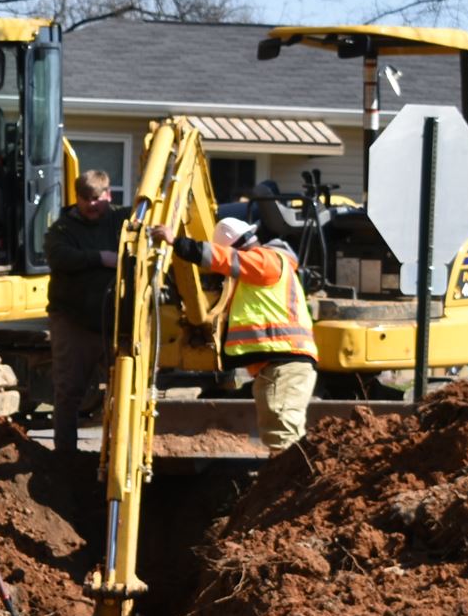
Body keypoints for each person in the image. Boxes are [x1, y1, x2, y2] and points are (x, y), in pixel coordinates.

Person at [149, 214, 317, 454]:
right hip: (277, 363)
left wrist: (177, 242)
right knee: (280, 432)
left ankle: (291, 486)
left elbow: (223, 259)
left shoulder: (265, 261)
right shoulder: (258, 273)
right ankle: (290, 482)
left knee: (282, 433)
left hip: (285, 360)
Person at [41, 169, 124, 454]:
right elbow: (59, 257)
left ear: (108, 195)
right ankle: (66, 455)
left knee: (124, 391)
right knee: (68, 390)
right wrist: (101, 258)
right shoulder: (62, 229)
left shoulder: (122, 221)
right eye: (84, 198)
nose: (90, 204)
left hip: (116, 322)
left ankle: (118, 451)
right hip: (73, 321)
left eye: (96, 198)